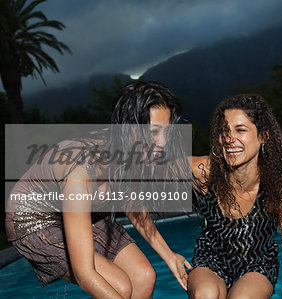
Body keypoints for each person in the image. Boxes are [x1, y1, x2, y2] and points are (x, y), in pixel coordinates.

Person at [6, 81, 192, 298]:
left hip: (80, 208)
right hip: (32, 218)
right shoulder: (80, 169)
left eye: (166, 133)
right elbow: (85, 273)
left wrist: (170, 256)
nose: (161, 144)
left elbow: (132, 203)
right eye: (153, 133)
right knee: (119, 286)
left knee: (144, 276)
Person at [188, 94, 282, 298]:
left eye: (240, 130)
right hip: (211, 259)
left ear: (263, 136)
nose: (229, 139)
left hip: (257, 265)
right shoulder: (206, 171)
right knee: (205, 294)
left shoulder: (280, 189)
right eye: (223, 131)